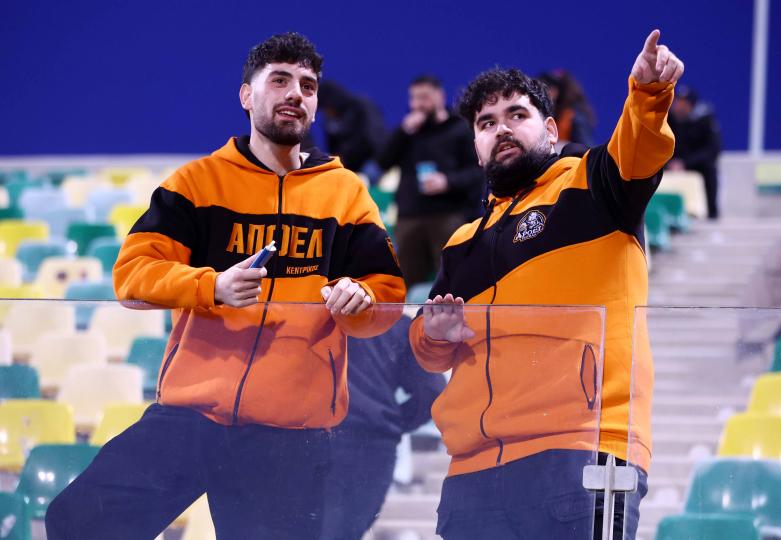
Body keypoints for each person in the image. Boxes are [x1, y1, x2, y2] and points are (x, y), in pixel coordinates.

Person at [45, 32, 405, 540]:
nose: (295, 93)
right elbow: (132, 275)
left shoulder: (345, 194)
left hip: (288, 433)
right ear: (246, 95)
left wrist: (360, 300)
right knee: (79, 520)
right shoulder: (197, 183)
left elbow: (386, 294)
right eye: (279, 80)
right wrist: (211, 286)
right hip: (191, 416)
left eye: (307, 85)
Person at [409, 30, 683, 539]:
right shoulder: (462, 242)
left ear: (551, 129)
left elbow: (639, 148)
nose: (502, 129)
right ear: (476, 149)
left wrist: (648, 95)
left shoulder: (594, 184)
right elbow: (427, 348)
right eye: (487, 123)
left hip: (581, 450)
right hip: (472, 470)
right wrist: (434, 335)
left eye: (517, 114)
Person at [320, 315, 446, 540]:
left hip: (312, 437)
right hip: (371, 444)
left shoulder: (313, 316)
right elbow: (432, 390)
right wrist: (393, 423)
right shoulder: (396, 324)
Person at [377, 75, 483, 288]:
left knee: (454, 278)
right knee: (405, 282)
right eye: (414, 98)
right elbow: (383, 162)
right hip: (409, 217)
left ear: (440, 96)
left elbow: (477, 171)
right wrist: (402, 132)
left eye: (424, 97)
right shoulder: (408, 132)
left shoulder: (459, 129)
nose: (418, 104)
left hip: (448, 215)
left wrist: (447, 181)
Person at [667, 85, 722, 219]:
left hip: (694, 162)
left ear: (691, 105)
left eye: (683, 103)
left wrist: (684, 163)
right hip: (671, 161)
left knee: (709, 168)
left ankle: (711, 211)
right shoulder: (669, 118)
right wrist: (670, 162)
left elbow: (712, 149)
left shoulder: (705, 120)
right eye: (677, 102)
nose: (679, 107)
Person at [317, 80, 388, 179]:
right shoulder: (330, 120)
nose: (327, 112)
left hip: (372, 161)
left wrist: (347, 157)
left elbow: (374, 139)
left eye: (326, 107)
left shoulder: (362, 107)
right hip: (348, 166)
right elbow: (333, 148)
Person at [538, 69, 597, 147]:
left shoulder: (573, 116)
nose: (544, 94)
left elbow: (586, 147)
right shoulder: (547, 113)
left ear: (556, 91)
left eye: (547, 89)